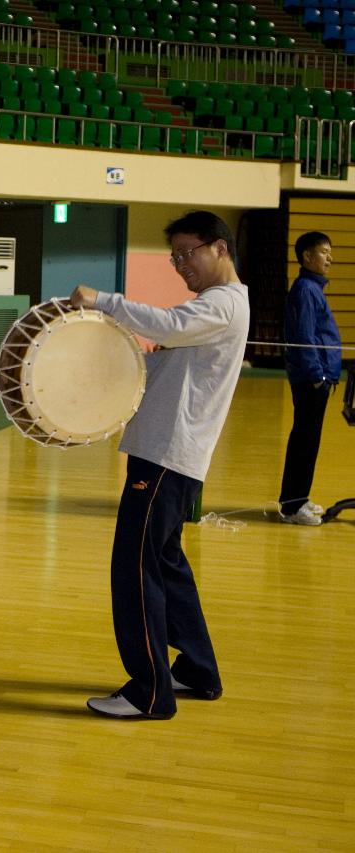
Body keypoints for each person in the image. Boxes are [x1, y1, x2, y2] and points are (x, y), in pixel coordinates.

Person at [70, 210, 249, 720]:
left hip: (168, 455)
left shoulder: (224, 305)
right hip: (167, 452)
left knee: (137, 567)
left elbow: (167, 325)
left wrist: (101, 301)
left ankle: (149, 691)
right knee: (166, 563)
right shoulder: (212, 306)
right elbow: (164, 359)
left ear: (219, 248)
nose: (179, 265)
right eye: (173, 257)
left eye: (186, 253)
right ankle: (196, 667)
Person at [278, 231, 341, 526]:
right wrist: (318, 376)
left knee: (309, 441)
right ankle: (292, 507)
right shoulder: (305, 289)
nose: (330, 258)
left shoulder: (313, 288)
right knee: (304, 441)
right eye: (324, 252)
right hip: (311, 380)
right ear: (307, 256)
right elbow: (304, 337)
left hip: (319, 379)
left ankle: (299, 499)